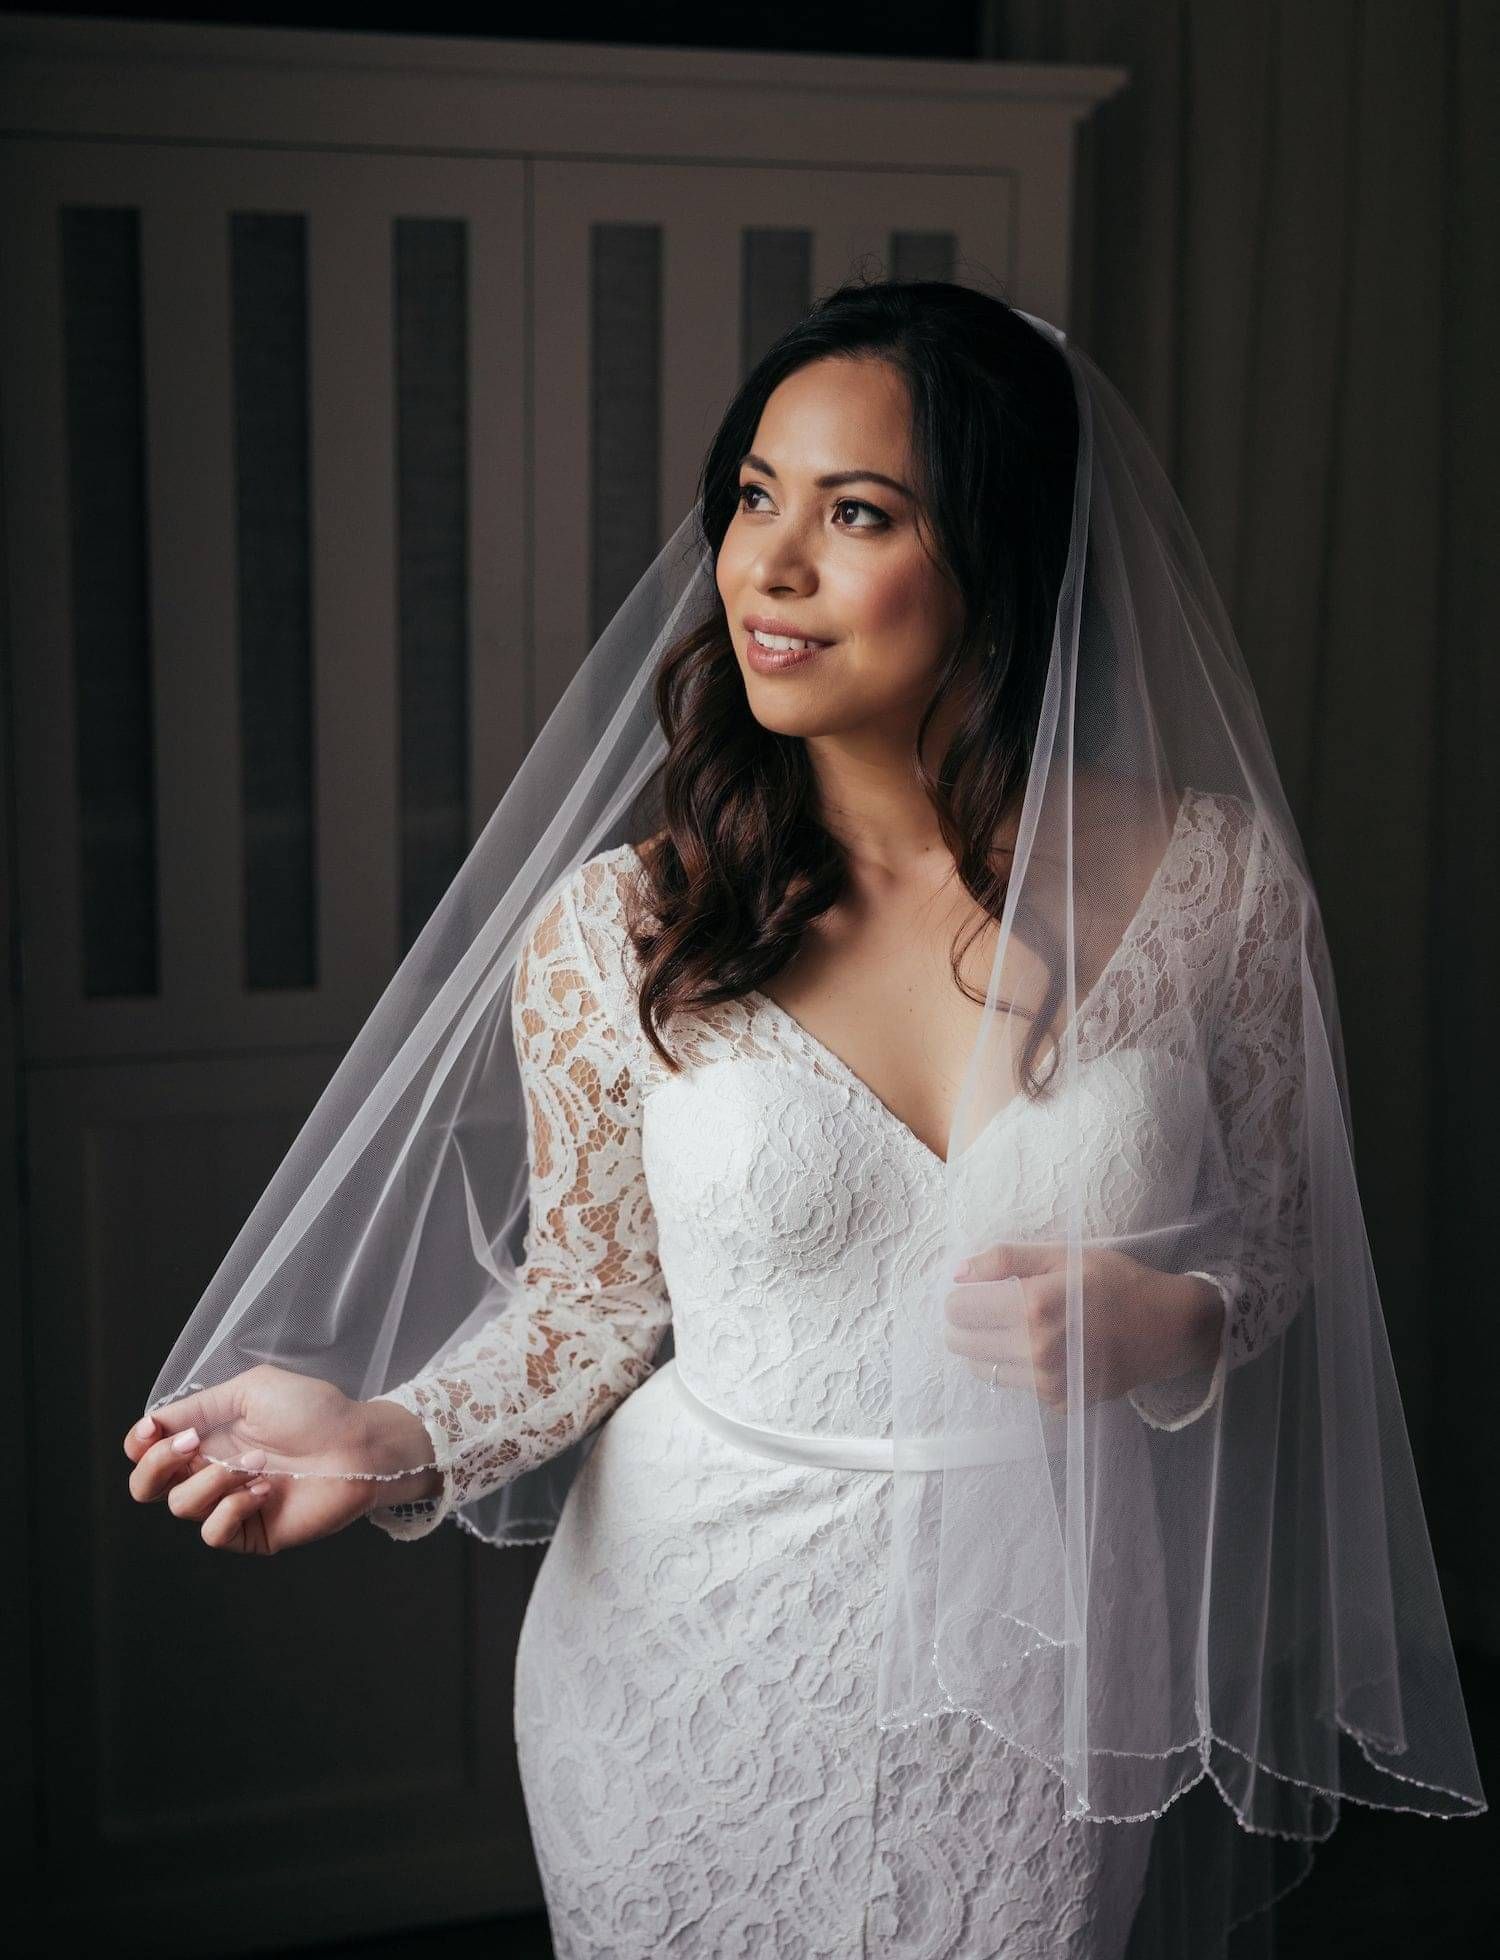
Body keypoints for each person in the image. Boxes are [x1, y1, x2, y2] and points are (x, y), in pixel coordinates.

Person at [123, 280, 1485, 1956]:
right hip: (690, 1651)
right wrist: (391, 1435)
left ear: (1000, 553)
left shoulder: (1215, 888)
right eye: (755, 497)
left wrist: (1180, 1312)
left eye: (857, 514)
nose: (769, 567)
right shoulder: (622, 927)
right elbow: (595, 1305)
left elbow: (1278, 1236)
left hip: (1041, 1675)